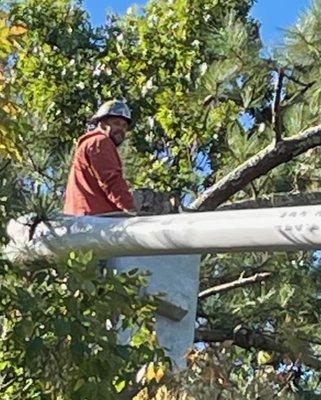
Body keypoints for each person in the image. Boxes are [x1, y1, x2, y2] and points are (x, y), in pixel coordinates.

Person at [63, 99, 134, 215]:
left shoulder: (89, 143)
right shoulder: (100, 142)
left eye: (124, 126)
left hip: (80, 218)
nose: (121, 129)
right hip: (96, 219)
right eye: (116, 123)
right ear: (102, 124)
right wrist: (131, 210)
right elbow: (111, 180)